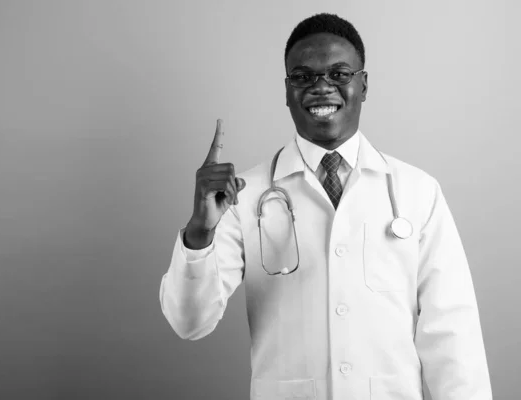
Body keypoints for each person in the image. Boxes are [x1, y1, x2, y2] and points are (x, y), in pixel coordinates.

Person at [159, 12, 492, 400]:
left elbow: (452, 333)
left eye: (339, 74)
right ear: (286, 91)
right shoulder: (242, 196)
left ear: (363, 85)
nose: (321, 87)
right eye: (303, 77)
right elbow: (189, 322)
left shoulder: (417, 191)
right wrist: (200, 233)